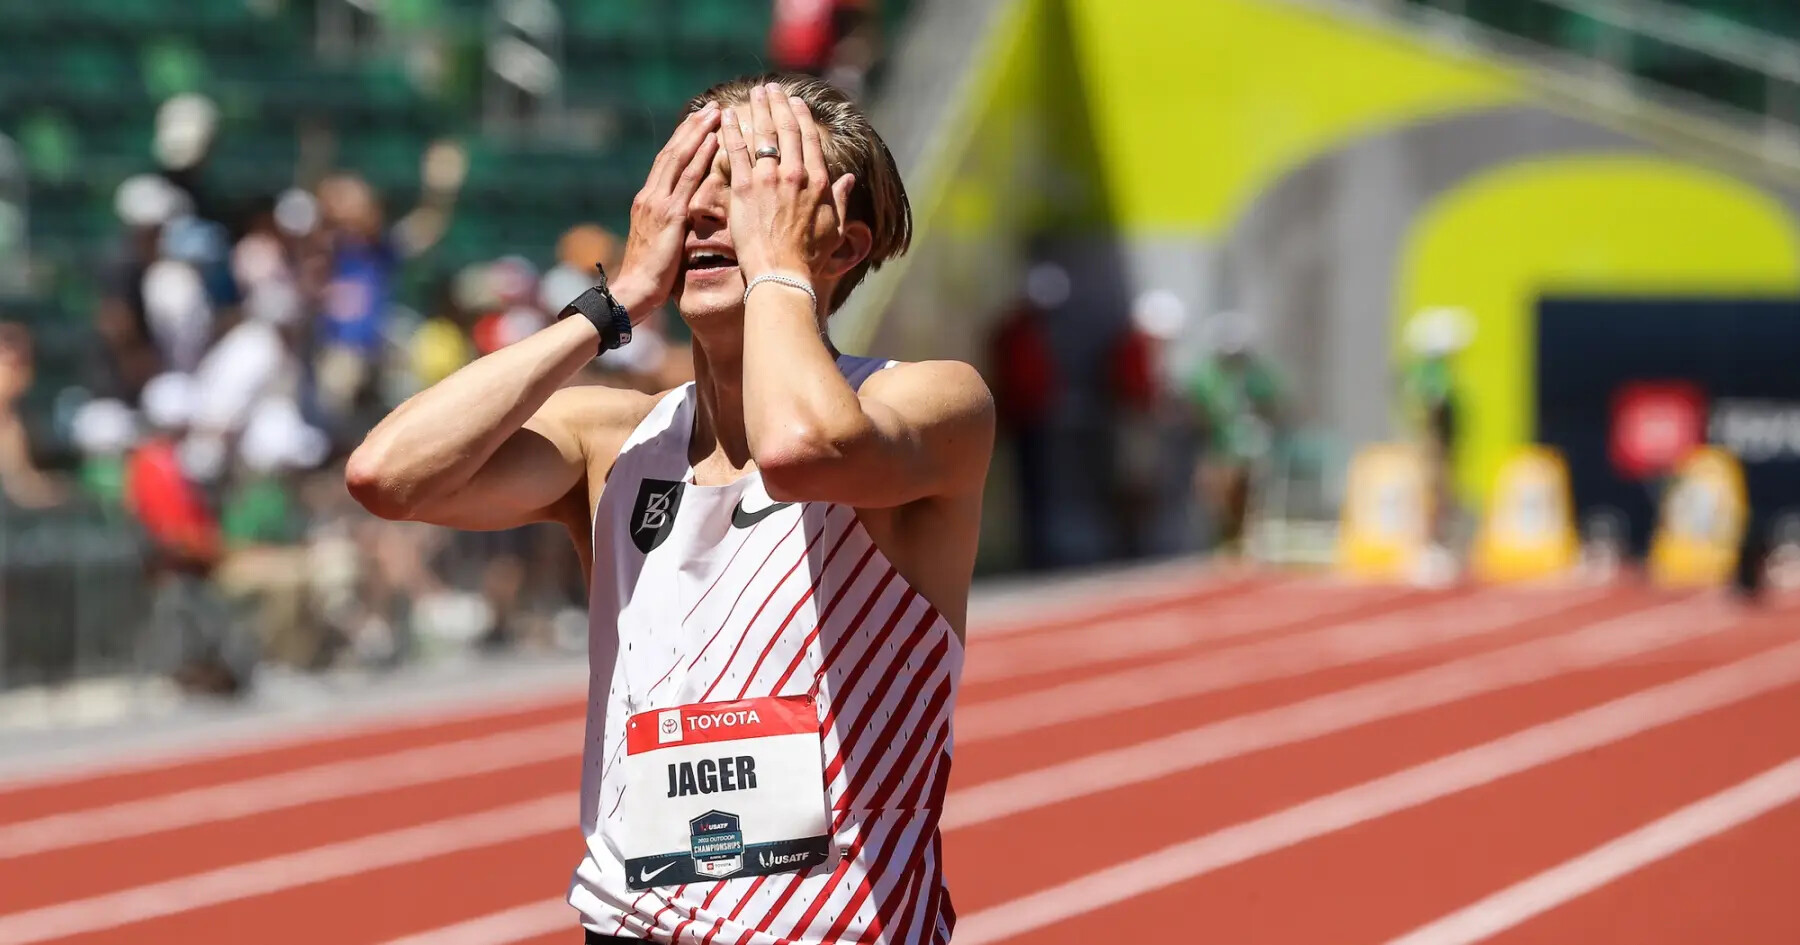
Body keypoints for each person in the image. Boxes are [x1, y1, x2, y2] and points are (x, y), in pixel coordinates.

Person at [347, 75, 991, 943]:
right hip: (630, 927)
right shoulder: (614, 440)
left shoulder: (930, 403)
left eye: (754, 186)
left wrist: (778, 269)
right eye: (693, 185)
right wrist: (609, 306)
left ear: (841, 246)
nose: (707, 212)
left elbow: (799, 450)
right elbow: (387, 475)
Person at [1184, 310, 1283, 552]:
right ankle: (1217, 543)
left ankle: (1243, 543)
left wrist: (1258, 424)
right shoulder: (1208, 376)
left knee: (1250, 499)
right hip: (1218, 448)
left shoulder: (1255, 375)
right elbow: (1198, 410)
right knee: (1218, 500)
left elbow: (1272, 401)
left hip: (1249, 449)